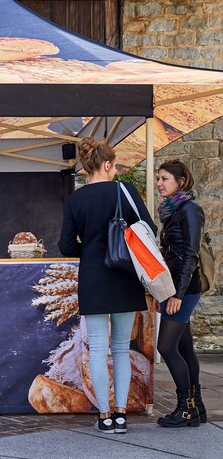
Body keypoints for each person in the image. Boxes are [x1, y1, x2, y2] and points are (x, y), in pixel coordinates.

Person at [58, 137, 155, 434]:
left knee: (98, 350)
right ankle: (122, 414)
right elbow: (148, 229)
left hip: (94, 279)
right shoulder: (125, 191)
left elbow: (65, 246)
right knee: (122, 348)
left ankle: (104, 415)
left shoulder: (76, 199)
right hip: (125, 276)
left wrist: (89, 250)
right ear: (108, 164)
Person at [155, 159, 204, 428]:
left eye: (164, 179)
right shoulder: (173, 211)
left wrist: (177, 295)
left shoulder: (190, 210)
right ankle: (197, 409)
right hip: (174, 287)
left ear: (180, 181)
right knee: (184, 347)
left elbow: (191, 255)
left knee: (166, 347)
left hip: (183, 289)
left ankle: (185, 410)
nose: (159, 184)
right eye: (158, 179)